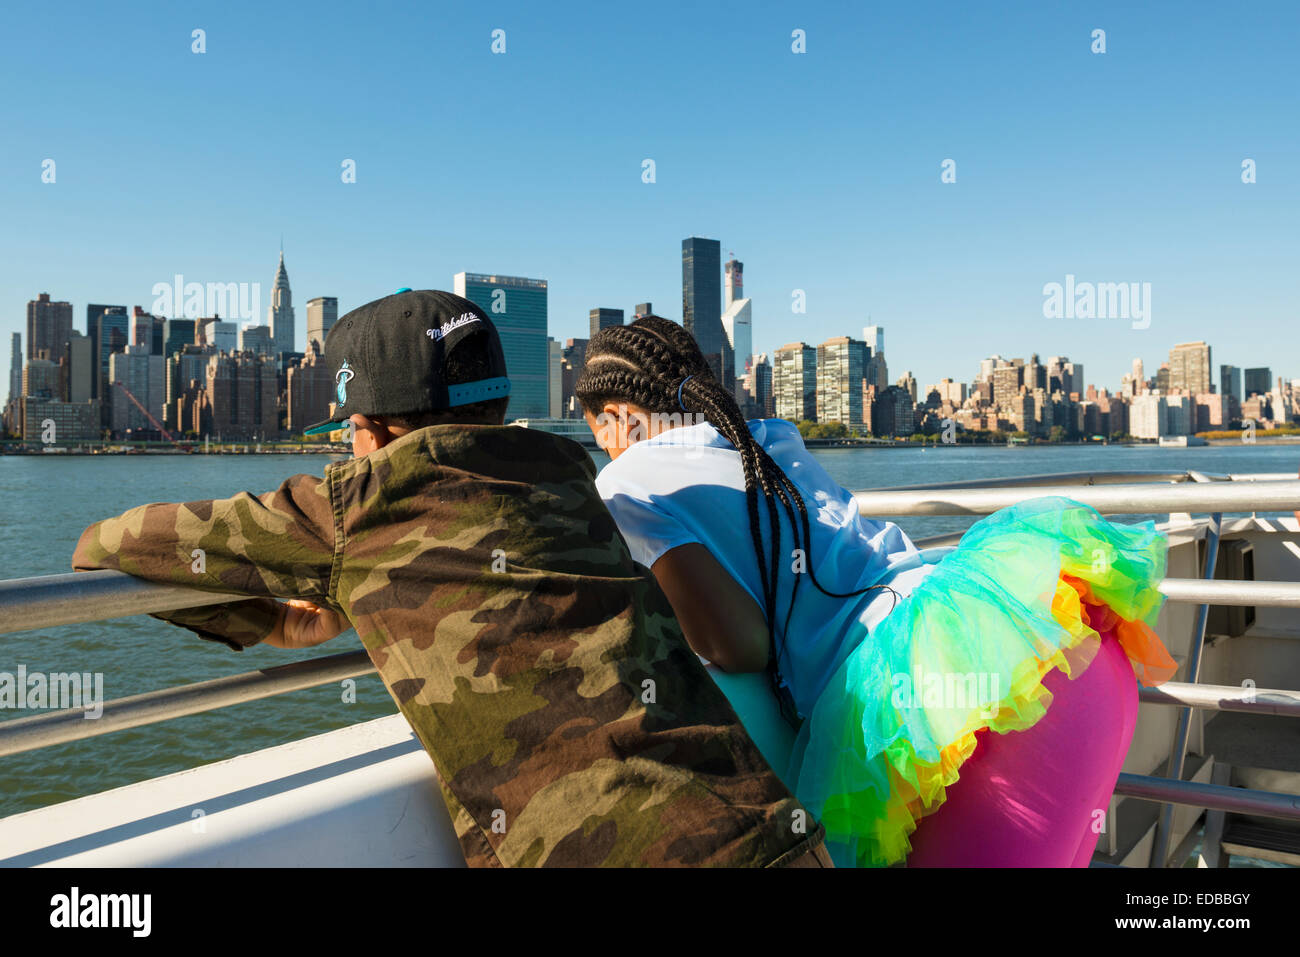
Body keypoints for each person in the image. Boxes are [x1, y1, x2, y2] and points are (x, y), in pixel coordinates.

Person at [71, 290, 834, 868]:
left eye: (348, 435)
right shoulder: (572, 474)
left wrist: (269, 623)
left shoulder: (363, 499)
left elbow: (110, 541)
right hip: (779, 832)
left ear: (369, 431)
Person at [575, 315, 1179, 868]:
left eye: (599, 427)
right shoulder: (767, 440)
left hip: (961, 716)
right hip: (1058, 651)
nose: (604, 446)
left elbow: (739, 646)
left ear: (622, 416)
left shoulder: (627, 485)